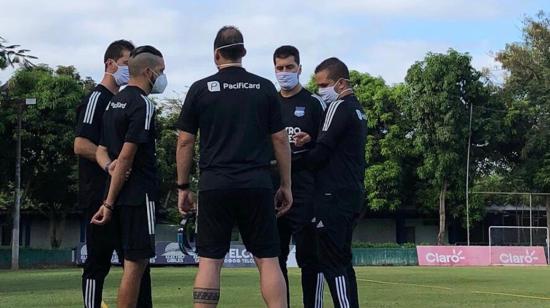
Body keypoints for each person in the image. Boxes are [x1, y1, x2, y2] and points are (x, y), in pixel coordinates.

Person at [175, 26, 292, 308]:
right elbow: (280, 139)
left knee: (210, 261)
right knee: (267, 259)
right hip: (257, 184)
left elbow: (184, 142)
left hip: (215, 185)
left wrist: (182, 187)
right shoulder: (264, 88)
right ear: (244, 52)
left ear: (216, 54)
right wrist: (286, 184)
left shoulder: (200, 89)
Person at [74, 40, 153, 308]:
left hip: (121, 194)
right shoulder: (98, 98)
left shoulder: (125, 100)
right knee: (98, 262)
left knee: (137, 263)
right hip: (99, 192)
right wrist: (110, 165)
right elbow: (81, 144)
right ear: (110, 64)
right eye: (126, 62)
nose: (130, 68)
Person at [91, 45, 167, 308]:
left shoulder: (114, 102)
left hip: (117, 195)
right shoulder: (143, 105)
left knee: (131, 265)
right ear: (148, 72)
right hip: (137, 196)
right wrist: (108, 203)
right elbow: (126, 157)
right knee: (135, 267)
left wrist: (109, 168)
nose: (163, 77)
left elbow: (101, 150)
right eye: (161, 71)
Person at [295, 57, 367, 308]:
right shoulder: (358, 110)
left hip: (332, 195)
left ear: (341, 83)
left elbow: (321, 154)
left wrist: (288, 161)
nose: (320, 90)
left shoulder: (338, 107)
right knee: (340, 262)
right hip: (351, 193)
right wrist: (312, 141)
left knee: (332, 263)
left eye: (324, 84)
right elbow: (333, 147)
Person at [272, 45, 326, 308]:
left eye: (289, 67)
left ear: (299, 69)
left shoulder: (315, 103)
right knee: (275, 257)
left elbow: (329, 146)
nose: (284, 73)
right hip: (274, 188)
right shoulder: (268, 103)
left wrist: (312, 140)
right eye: (279, 68)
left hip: (305, 187)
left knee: (310, 258)